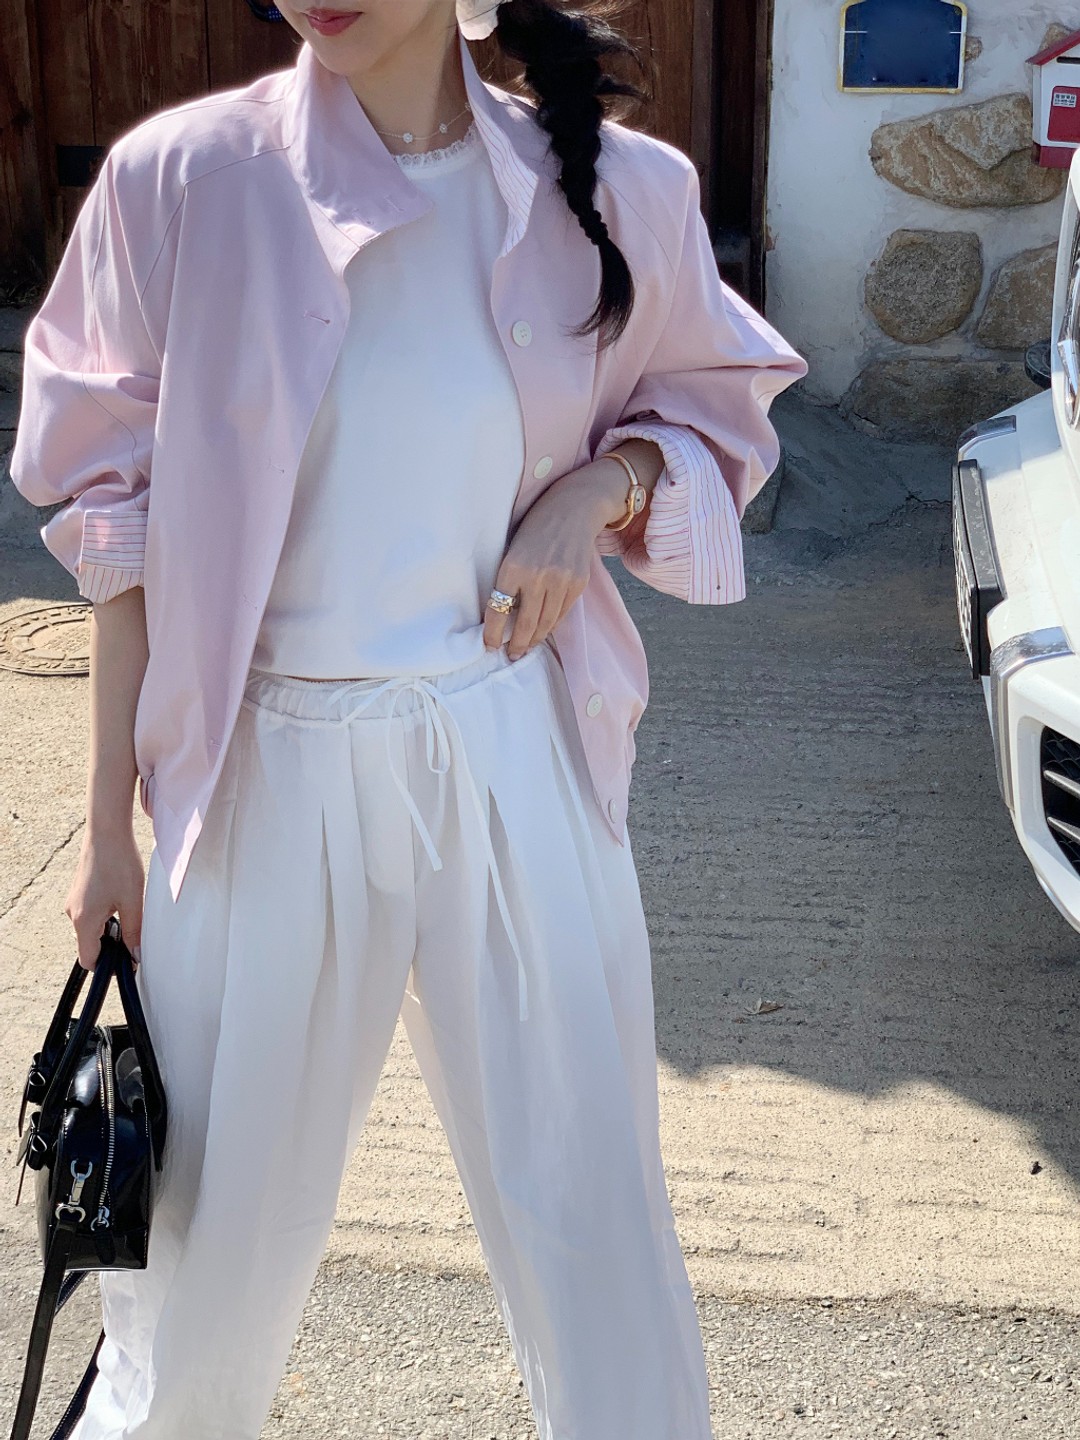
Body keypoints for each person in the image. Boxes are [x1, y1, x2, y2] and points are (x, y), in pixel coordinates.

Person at [9, 1, 807, 1436]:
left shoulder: (615, 190)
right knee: (199, 1253)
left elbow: (714, 408)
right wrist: (107, 828)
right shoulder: (179, 181)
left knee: (592, 1225)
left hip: (511, 754)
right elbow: (112, 525)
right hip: (256, 776)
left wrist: (598, 490)